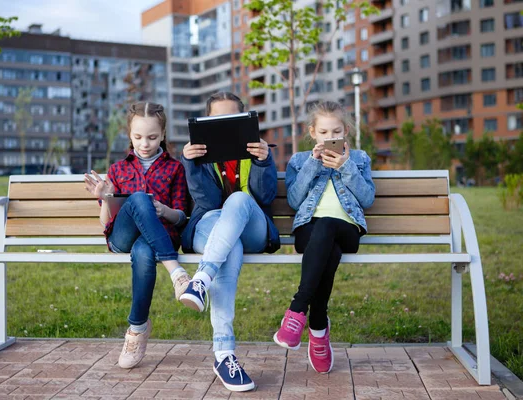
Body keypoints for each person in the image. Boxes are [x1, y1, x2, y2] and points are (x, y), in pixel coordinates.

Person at [179, 92, 280, 392]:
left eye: (231, 119)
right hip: (209, 228)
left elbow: (264, 197)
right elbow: (207, 202)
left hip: (252, 226)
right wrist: (191, 163)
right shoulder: (197, 156)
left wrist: (263, 162)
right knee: (228, 246)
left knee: (238, 199)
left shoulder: (258, 152)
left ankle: (201, 278)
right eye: (216, 121)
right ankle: (224, 355)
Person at [83, 101, 190, 369]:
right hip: (122, 237)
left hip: (156, 239)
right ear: (129, 135)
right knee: (139, 198)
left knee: (144, 251)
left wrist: (165, 210)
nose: (145, 144)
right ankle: (177, 273)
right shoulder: (118, 170)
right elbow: (106, 224)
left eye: (152, 137)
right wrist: (106, 198)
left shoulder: (175, 169)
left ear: (163, 135)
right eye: (138, 137)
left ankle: (137, 329)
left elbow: (182, 217)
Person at [273, 101, 375, 374]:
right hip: (309, 229)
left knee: (329, 225)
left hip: (347, 230)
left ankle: (297, 310)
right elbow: (295, 201)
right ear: (313, 133)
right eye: (324, 132)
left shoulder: (360, 159)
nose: (330, 138)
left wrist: (345, 167)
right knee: (327, 248)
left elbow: (367, 198)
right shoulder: (299, 161)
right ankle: (318, 327)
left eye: (336, 132)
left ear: (347, 131)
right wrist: (312, 164)